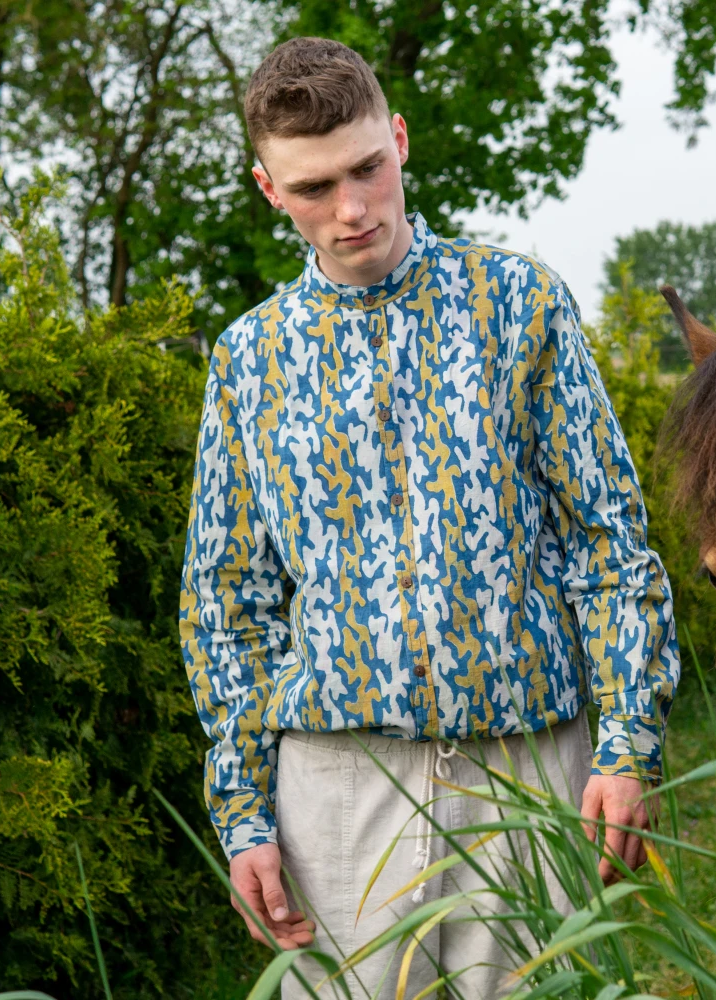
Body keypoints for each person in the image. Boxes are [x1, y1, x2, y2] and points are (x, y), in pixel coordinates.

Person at [177, 36, 679, 998]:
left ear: (399, 140)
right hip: (336, 788)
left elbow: (606, 543)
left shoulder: (520, 305)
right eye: (315, 187)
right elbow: (225, 602)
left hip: (531, 772)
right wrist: (244, 817)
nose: (353, 208)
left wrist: (626, 748)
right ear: (268, 188)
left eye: (367, 168)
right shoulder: (249, 360)